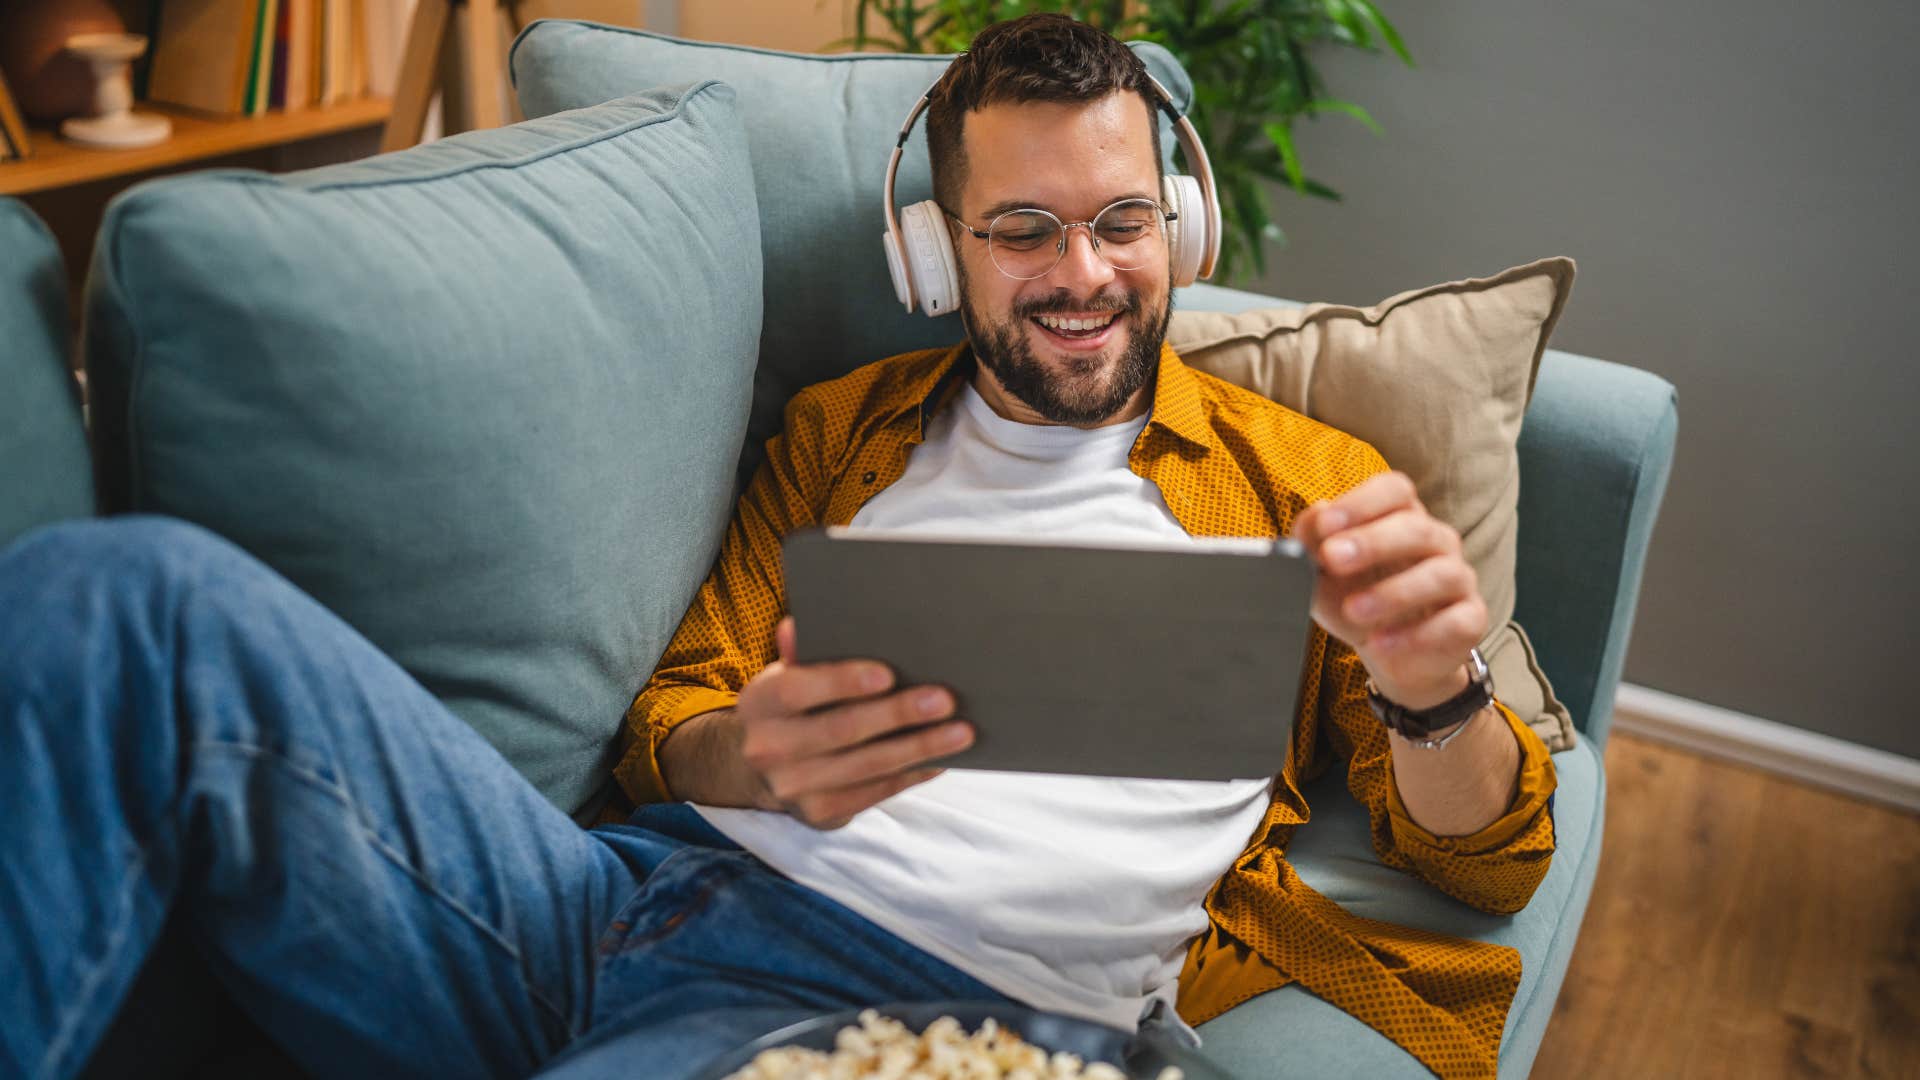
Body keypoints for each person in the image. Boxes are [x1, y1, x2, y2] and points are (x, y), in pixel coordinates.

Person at [0, 14, 1554, 1080]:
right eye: (1023, 230)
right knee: (121, 598)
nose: (1083, 276)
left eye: (1122, 223)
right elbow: (673, 723)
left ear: (1183, 232)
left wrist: (1435, 687)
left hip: (925, 1011)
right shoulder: (842, 433)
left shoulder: (1308, 482)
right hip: (605, 906)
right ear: (937, 253)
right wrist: (757, 753)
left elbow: (1484, 861)